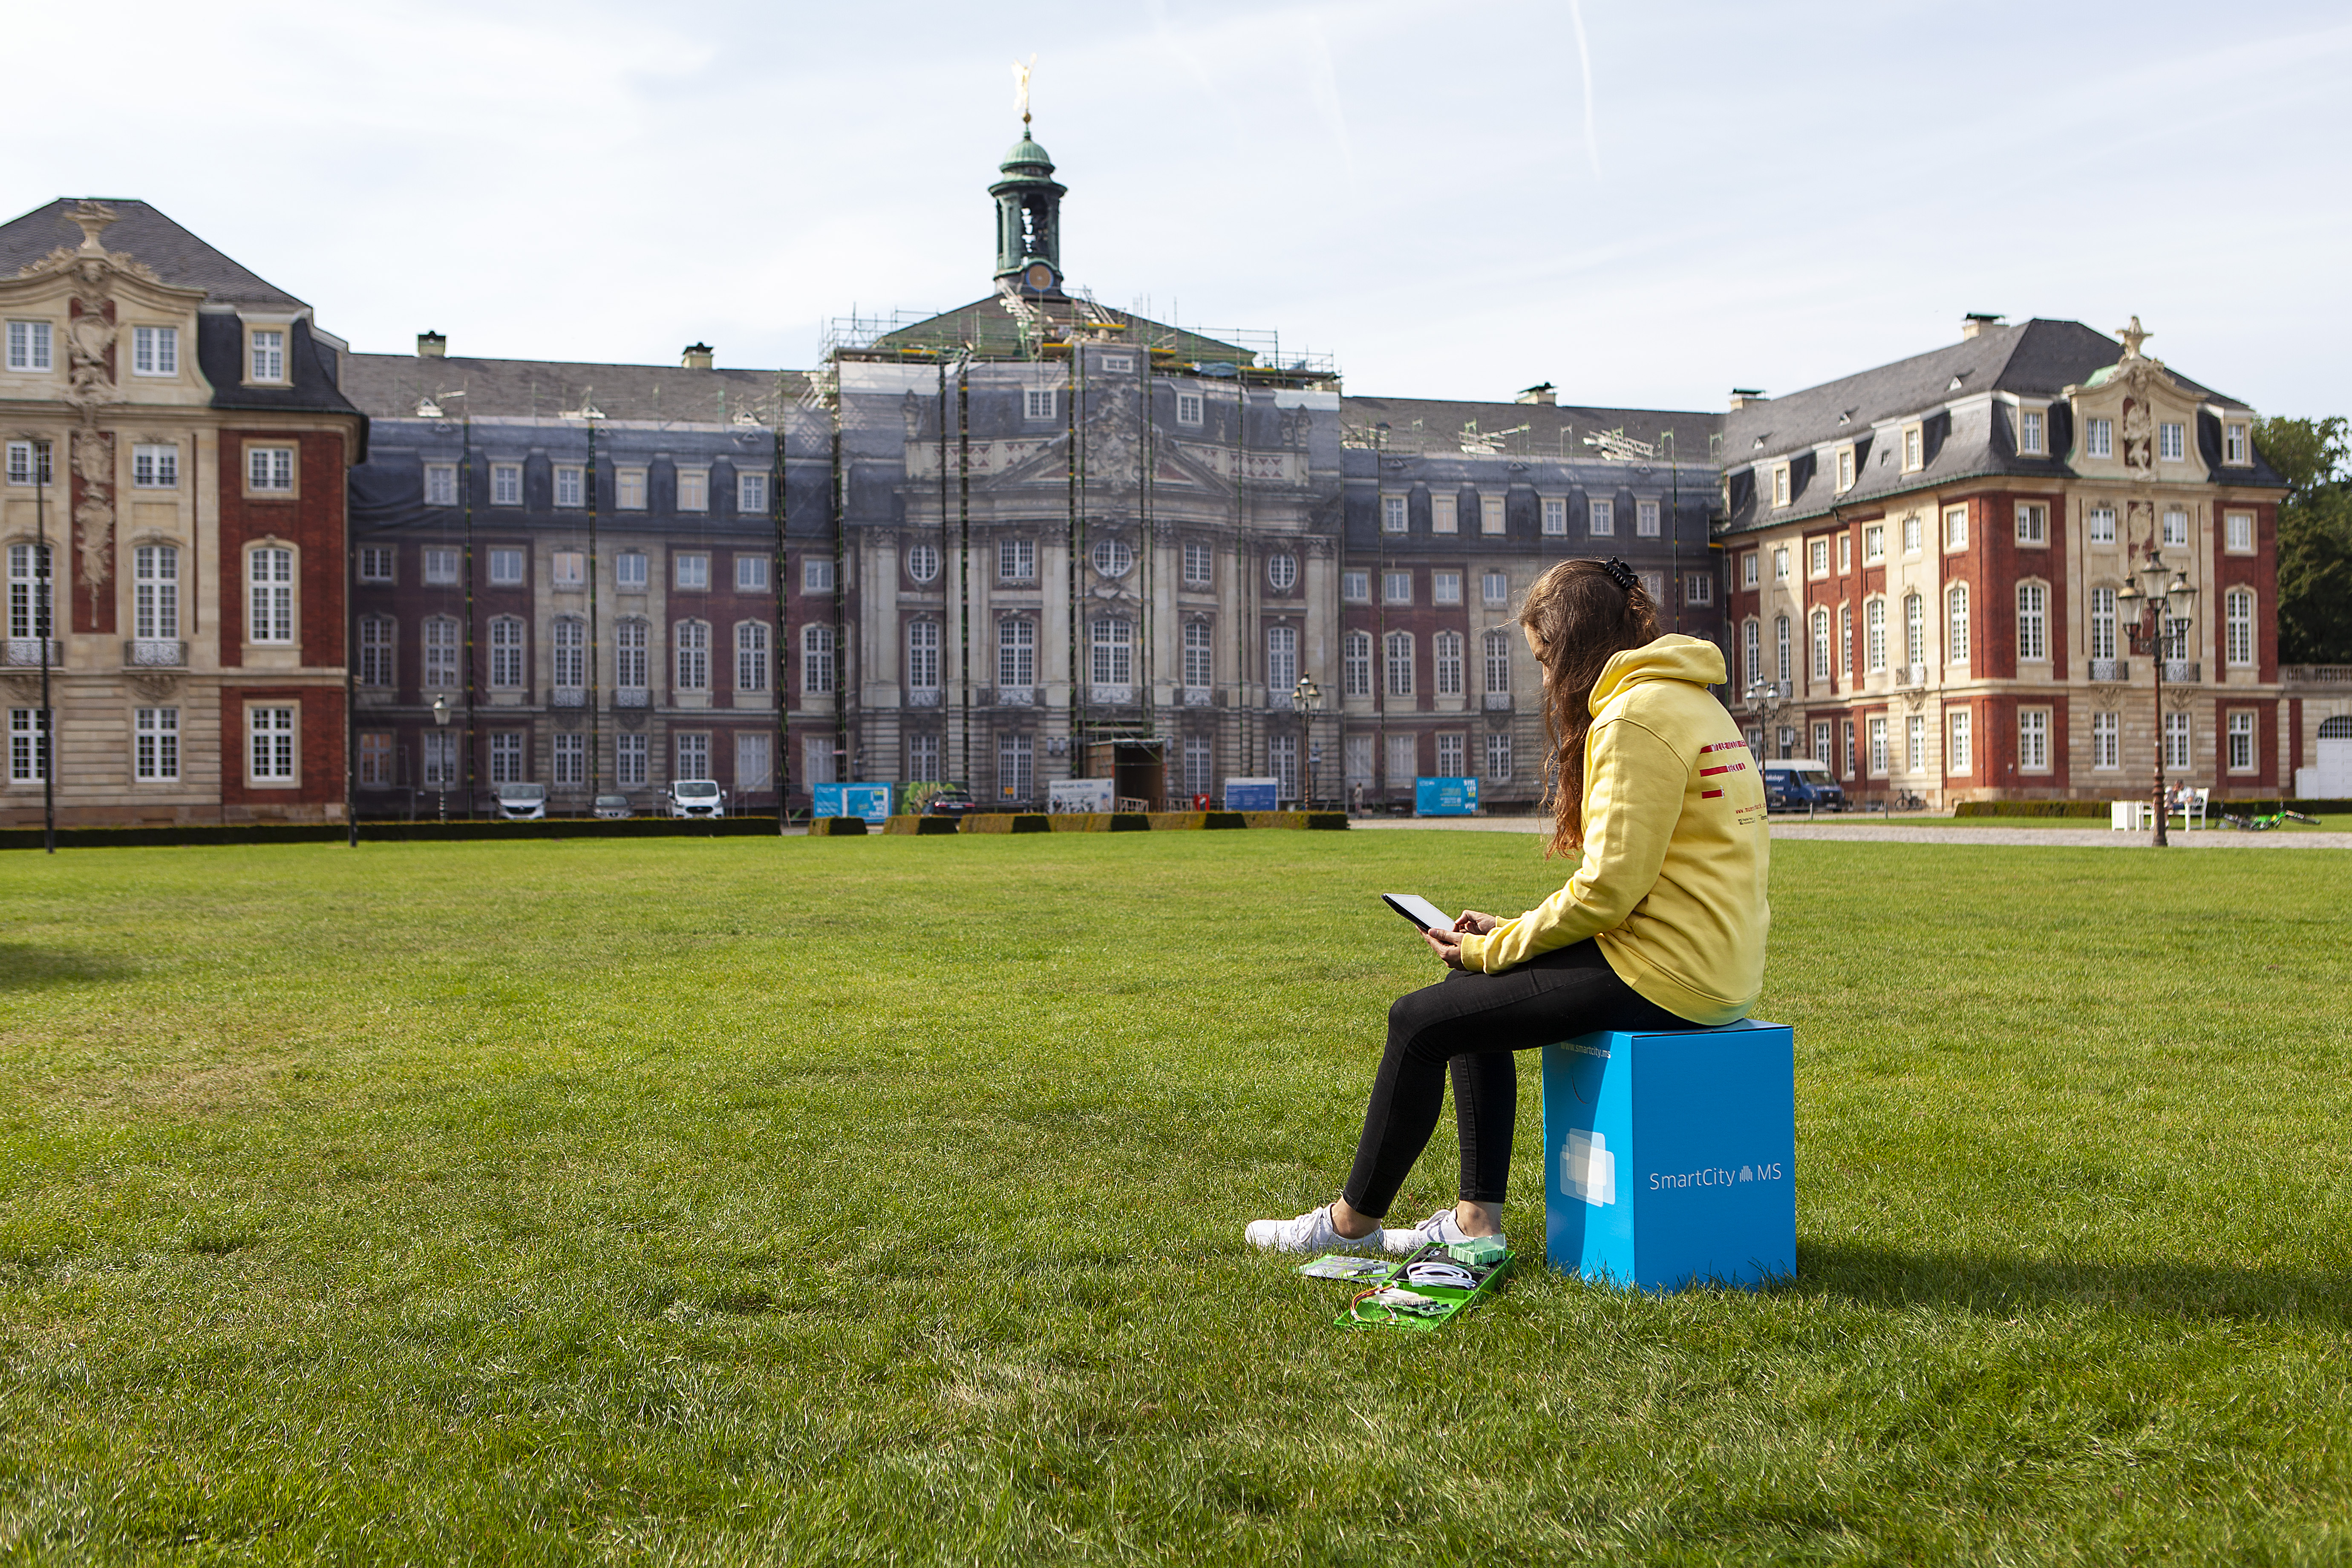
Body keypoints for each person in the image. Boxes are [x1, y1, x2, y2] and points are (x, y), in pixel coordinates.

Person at [1246, 557, 1770, 1254]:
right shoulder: (1694, 700)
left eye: (1546, 658)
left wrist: (1493, 946)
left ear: (1576, 647)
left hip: (1667, 974)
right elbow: (1632, 884)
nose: (1546, 680)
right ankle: (1474, 1224)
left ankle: (1351, 1225)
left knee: (1419, 1021)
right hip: (1707, 960)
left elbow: (1608, 888)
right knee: (1469, 995)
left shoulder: (1634, 718)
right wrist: (1511, 934)